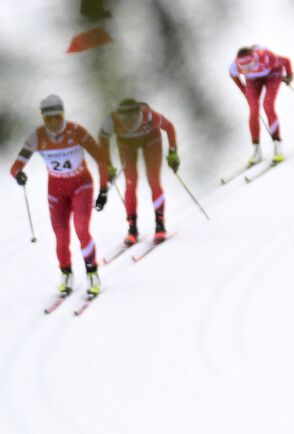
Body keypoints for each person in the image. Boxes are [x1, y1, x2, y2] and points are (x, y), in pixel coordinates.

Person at [10, 94, 110, 298]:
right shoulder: (37, 136)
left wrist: (103, 190)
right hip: (56, 191)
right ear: (43, 118)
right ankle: (66, 274)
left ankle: (92, 273)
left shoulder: (76, 131)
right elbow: (16, 166)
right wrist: (18, 174)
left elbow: (101, 159)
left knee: (81, 229)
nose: (54, 122)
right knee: (61, 236)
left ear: (63, 114)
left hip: (81, 186)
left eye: (58, 117)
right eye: (49, 118)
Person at [99, 98, 178, 245]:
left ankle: (160, 224)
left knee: (154, 181)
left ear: (137, 114)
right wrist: (107, 165)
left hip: (151, 141)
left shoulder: (150, 116)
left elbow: (169, 127)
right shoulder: (112, 120)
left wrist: (173, 152)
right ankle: (132, 228)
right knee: (130, 183)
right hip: (127, 145)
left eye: (132, 119)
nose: (128, 123)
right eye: (124, 120)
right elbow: (103, 139)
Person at [229, 44, 293, 166]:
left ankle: (277, 145)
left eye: (250, 65)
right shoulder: (234, 67)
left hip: (272, 74)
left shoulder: (266, 57)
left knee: (267, 106)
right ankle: (256, 149)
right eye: (244, 68)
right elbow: (234, 76)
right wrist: (244, 91)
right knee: (253, 110)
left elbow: (285, 61)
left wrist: (289, 76)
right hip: (253, 80)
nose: (248, 69)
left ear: (255, 60)